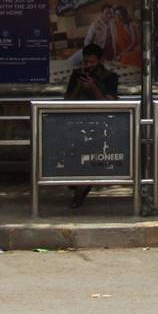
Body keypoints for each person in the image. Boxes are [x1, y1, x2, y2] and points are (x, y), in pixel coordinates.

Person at [63, 43, 119, 208]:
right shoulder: (77, 75)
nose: (88, 66)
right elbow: (67, 101)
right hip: (77, 121)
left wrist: (93, 88)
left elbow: (109, 104)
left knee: (87, 157)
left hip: (100, 123)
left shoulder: (110, 77)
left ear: (99, 61)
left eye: (91, 62)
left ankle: (80, 191)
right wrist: (79, 87)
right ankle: (77, 184)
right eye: (85, 62)